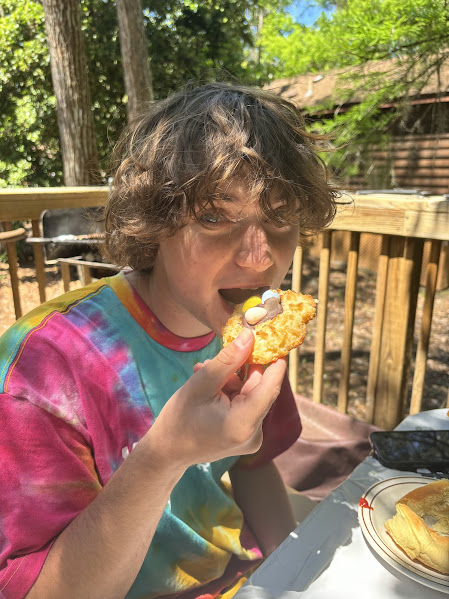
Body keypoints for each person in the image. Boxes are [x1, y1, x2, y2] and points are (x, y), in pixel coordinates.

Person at [0, 81, 339, 599]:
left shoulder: (253, 341)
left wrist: (293, 579)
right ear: (154, 221)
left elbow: (252, 466)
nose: (259, 256)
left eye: (279, 217)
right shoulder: (44, 366)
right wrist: (163, 457)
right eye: (214, 216)